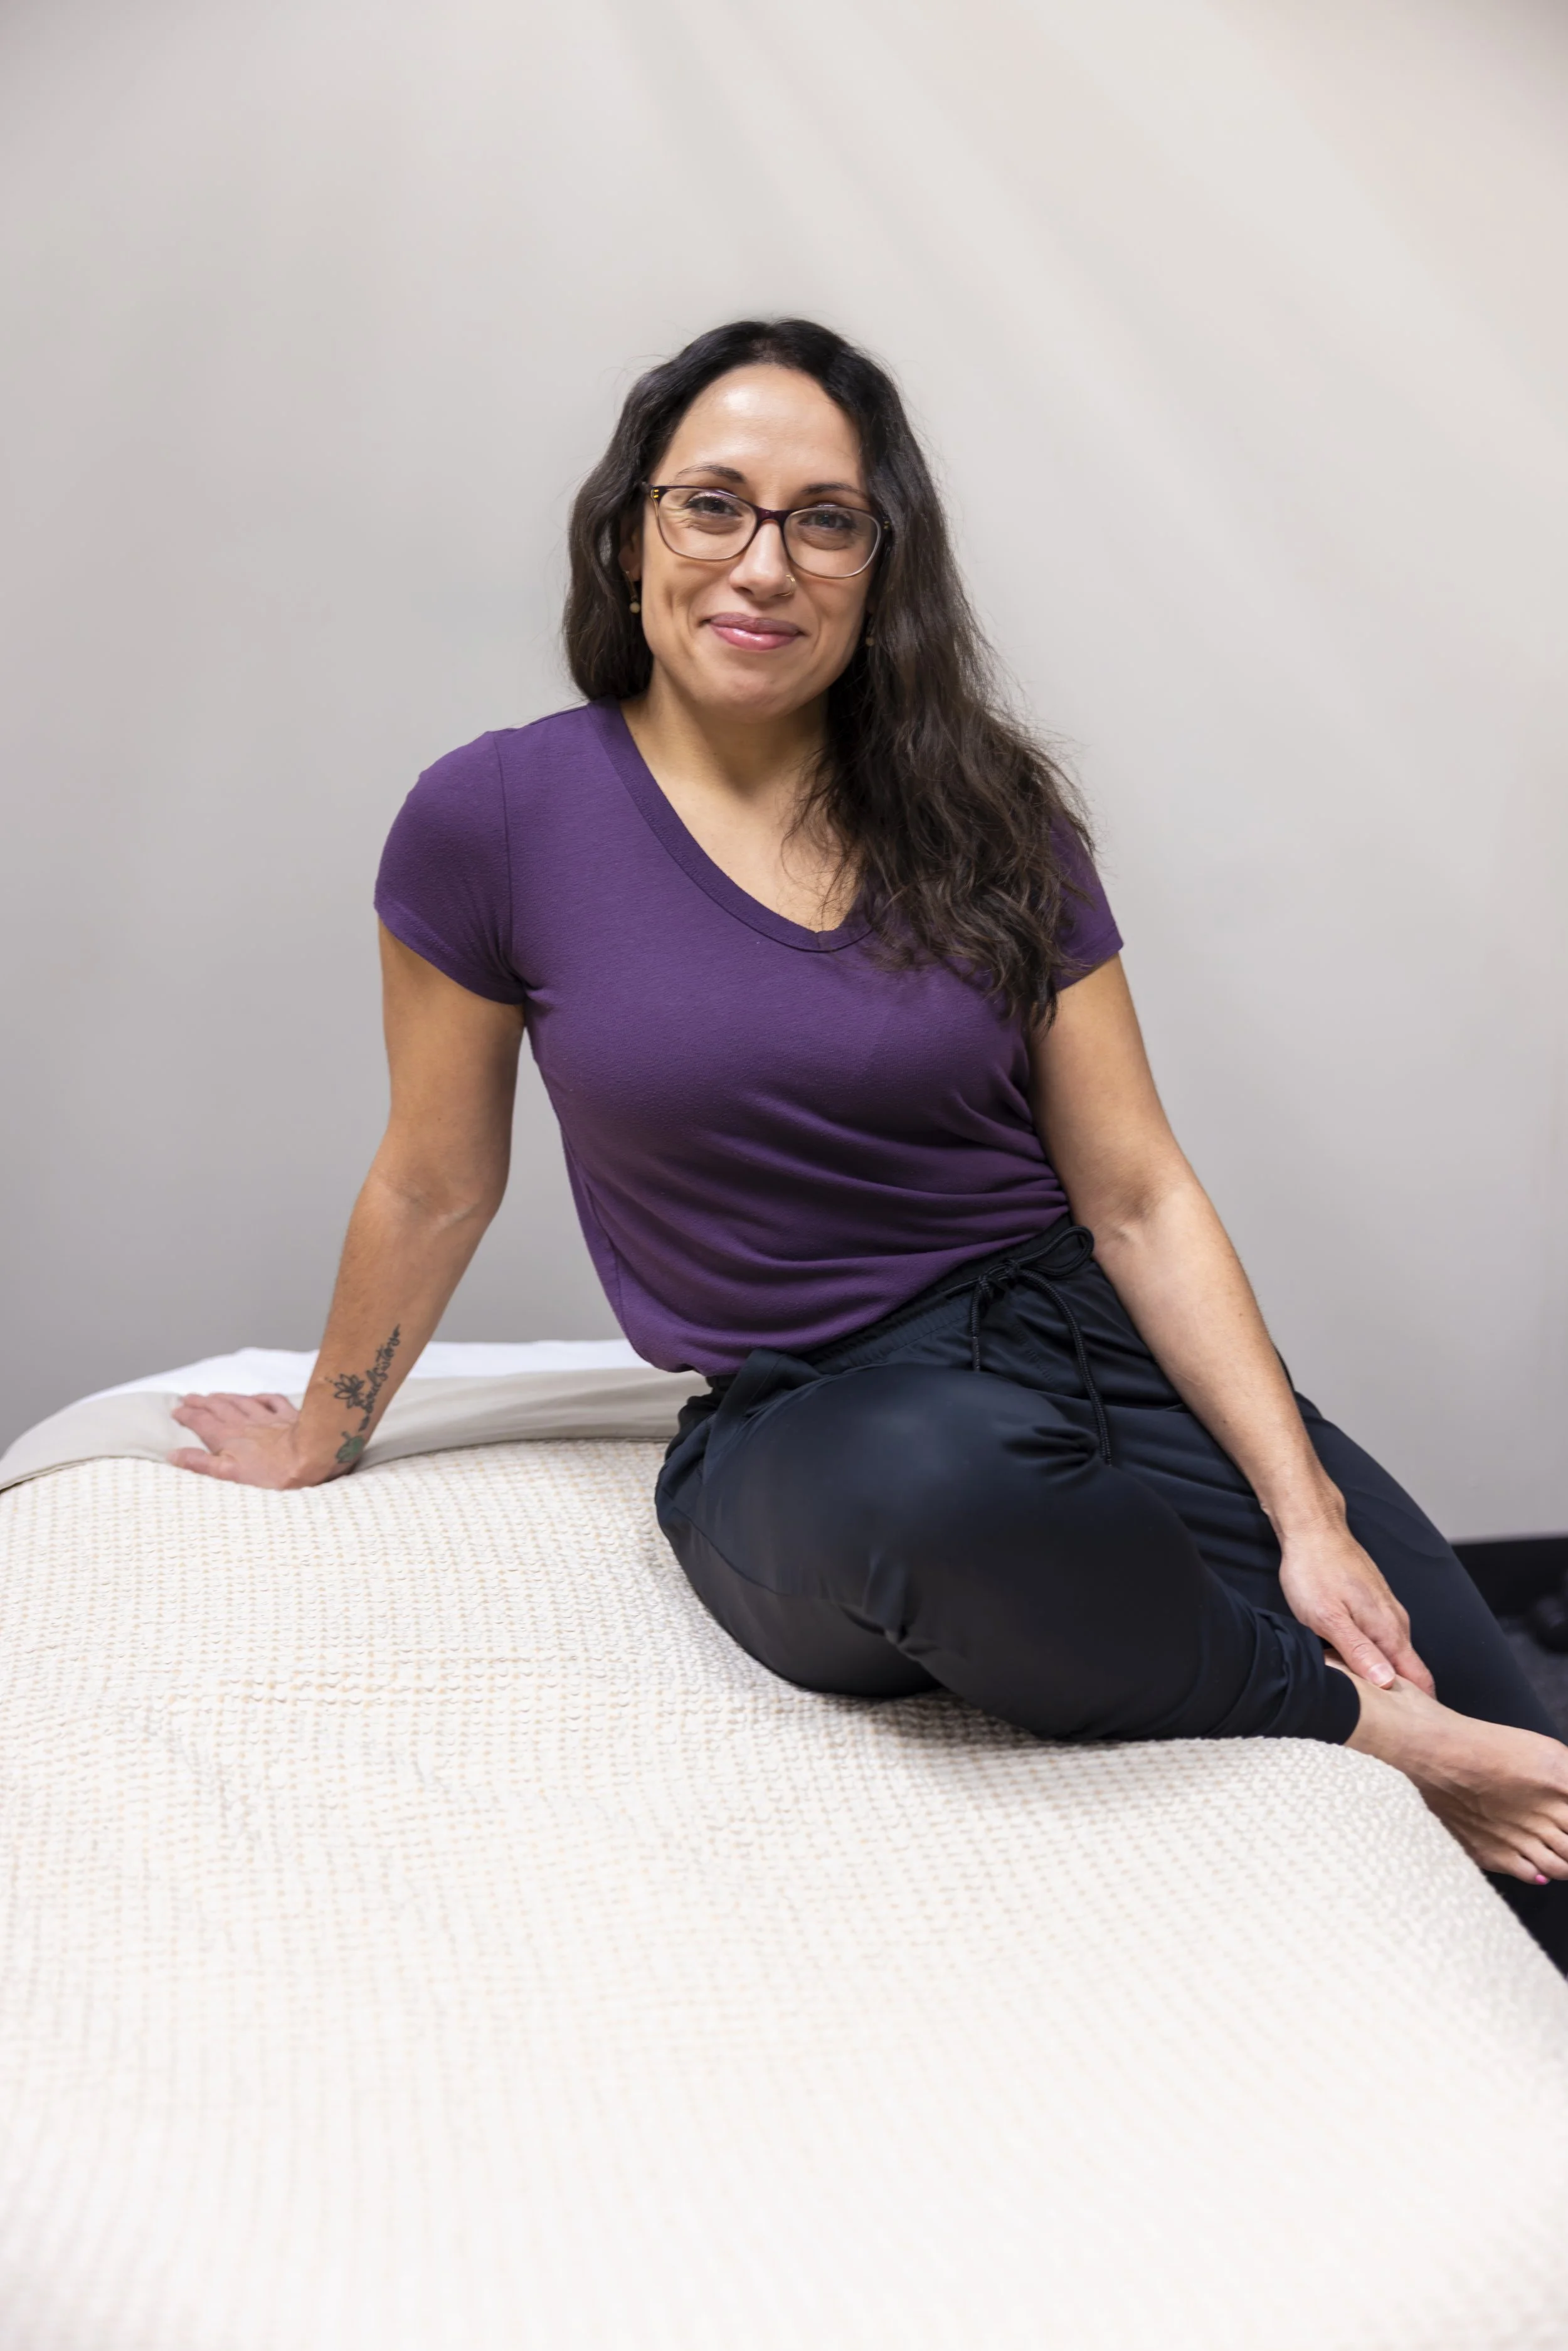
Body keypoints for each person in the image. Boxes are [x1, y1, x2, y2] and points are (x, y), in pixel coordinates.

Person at [170, 316, 1568, 1970]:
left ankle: (1369, 1693)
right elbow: (433, 1174)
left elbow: (1133, 1193)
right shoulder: (494, 818)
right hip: (814, 1427)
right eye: (713, 504)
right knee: (947, 1491)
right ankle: (1358, 1734)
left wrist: (1306, 1508)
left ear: (877, 562)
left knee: (1521, 1797)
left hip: (1087, 1354)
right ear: (628, 535)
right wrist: (331, 1427)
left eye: (823, 517)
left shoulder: (985, 803)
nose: (764, 562)